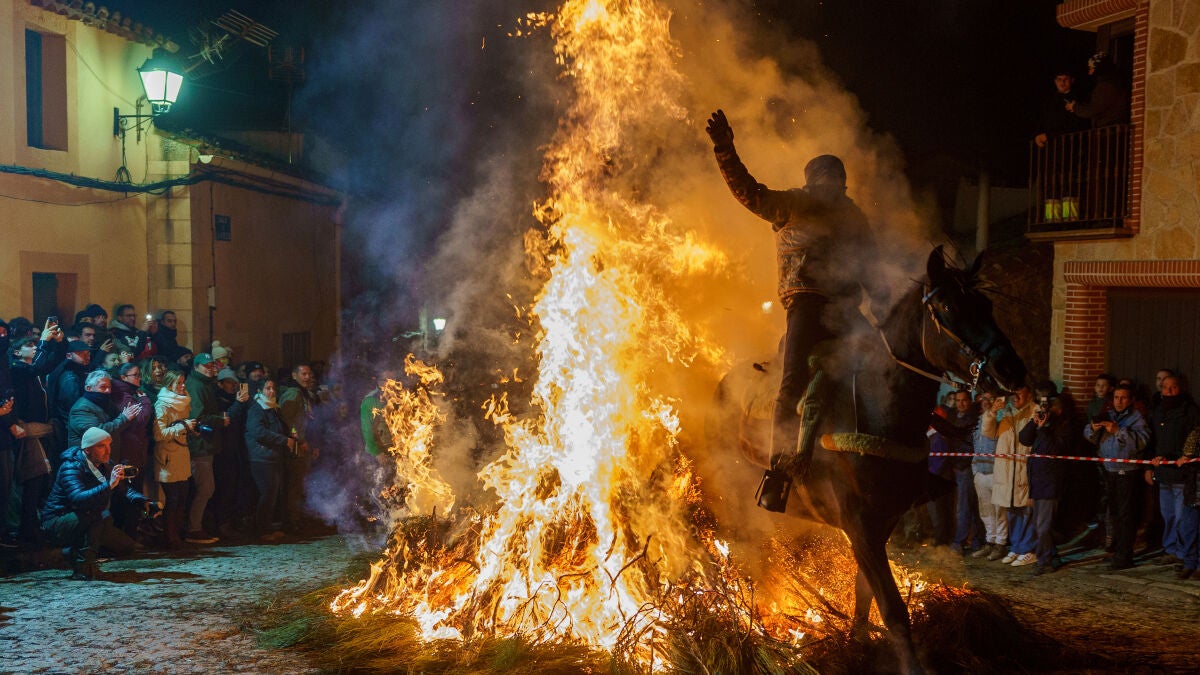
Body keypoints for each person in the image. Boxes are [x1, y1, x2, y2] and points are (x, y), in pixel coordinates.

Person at [705, 109, 877, 480]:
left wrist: (882, 300)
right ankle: (778, 469)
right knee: (793, 379)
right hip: (806, 304)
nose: (835, 184)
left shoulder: (854, 217)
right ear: (815, 181)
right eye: (829, 178)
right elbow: (750, 193)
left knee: (883, 365)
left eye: (839, 179)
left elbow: (869, 263)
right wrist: (725, 150)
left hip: (845, 310)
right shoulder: (796, 204)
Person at [40, 428, 151, 580]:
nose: (108, 451)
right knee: (96, 519)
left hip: (88, 516)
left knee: (126, 546)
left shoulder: (106, 465)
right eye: (101, 446)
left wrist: (143, 501)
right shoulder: (71, 467)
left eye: (109, 445)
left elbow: (123, 490)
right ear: (87, 449)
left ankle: (68, 553)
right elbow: (78, 498)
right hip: (58, 519)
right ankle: (83, 569)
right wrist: (108, 485)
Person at [1085, 383, 1150, 569]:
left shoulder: (1137, 418)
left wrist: (1118, 431)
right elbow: (1088, 435)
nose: (1119, 401)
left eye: (1123, 398)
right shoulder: (1109, 415)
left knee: (1125, 515)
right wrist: (1093, 429)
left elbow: (1141, 442)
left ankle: (1124, 555)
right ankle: (1117, 550)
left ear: (1130, 400)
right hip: (1109, 471)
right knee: (1113, 514)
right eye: (1116, 398)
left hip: (1127, 472)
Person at [1148, 375, 1200, 578]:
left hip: (1184, 475)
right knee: (1169, 515)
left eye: (1173, 387)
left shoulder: (1190, 412)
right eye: (1165, 387)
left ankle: (1184, 554)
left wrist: (1180, 457)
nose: (1169, 391)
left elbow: (1191, 444)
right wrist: (1151, 465)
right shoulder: (1158, 411)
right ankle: (1172, 550)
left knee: (1184, 520)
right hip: (1164, 473)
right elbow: (1154, 440)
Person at [1018, 381, 1072, 575]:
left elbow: (1055, 449)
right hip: (1038, 481)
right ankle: (1051, 555)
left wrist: (1043, 428)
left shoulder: (1064, 424)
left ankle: (1045, 561)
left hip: (1051, 482)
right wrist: (1034, 423)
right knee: (1039, 524)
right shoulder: (1041, 421)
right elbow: (1024, 439)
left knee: (1043, 525)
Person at [984, 385, 1038, 567]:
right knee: (1012, 512)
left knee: (1026, 512)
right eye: (1012, 393)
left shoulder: (1034, 411)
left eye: (1019, 393)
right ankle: (1016, 547)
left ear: (1029, 395)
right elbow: (988, 432)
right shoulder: (1005, 413)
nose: (1015, 397)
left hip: (1023, 470)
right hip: (1006, 472)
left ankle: (1028, 549)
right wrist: (992, 413)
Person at [930, 390, 984, 554]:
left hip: (965, 467)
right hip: (955, 466)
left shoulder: (973, 419)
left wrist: (960, 463)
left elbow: (969, 446)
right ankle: (976, 541)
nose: (961, 403)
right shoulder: (953, 417)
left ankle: (960, 542)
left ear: (970, 401)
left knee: (964, 506)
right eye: (958, 400)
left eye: (964, 400)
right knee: (968, 505)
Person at [246, 379, 299, 541]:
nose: (271, 391)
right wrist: (283, 440)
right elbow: (258, 431)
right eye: (267, 388)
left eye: (273, 388)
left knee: (272, 494)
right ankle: (262, 530)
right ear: (259, 391)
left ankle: (267, 527)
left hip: (273, 456)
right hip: (262, 457)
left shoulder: (273, 408)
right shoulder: (257, 409)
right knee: (267, 493)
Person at [184, 353, 227, 544]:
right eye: (206, 366)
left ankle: (196, 526)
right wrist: (220, 420)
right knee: (205, 488)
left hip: (206, 445)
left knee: (205, 488)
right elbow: (198, 417)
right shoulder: (196, 386)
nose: (210, 369)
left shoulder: (204, 384)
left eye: (212, 365)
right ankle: (194, 528)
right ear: (196, 367)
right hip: (200, 446)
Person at [110, 362, 155, 541]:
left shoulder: (127, 392)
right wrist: (146, 401)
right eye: (135, 375)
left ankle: (128, 537)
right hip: (129, 453)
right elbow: (140, 419)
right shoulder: (123, 394)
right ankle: (127, 538)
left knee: (131, 495)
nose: (139, 378)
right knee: (130, 496)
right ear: (123, 377)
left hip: (134, 450)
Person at [153, 370, 196, 549]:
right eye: (178, 383)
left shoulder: (184, 401)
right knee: (173, 499)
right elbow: (158, 434)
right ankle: (170, 539)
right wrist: (183, 426)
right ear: (169, 385)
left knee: (183, 497)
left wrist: (191, 429)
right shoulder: (162, 404)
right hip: (168, 457)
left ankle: (178, 535)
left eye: (183, 382)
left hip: (182, 453)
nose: (183, 386)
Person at [279, 363, 323, 532]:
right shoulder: (293, 393)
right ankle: (291, 521)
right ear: (294, 375)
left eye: (309, 374)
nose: (307, 377)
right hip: (296, 448)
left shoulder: (304, 393)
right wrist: (299, 439)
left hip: (305, 446)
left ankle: (298, 518)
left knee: (301, 484)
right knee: (295, 485)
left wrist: (314, 443)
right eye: (303, 374)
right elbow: (287, 421)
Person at [210, 367, 251, 538]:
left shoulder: (235, 399)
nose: (233, 386)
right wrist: (239, 404)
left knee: (235, 487)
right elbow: (228, 421)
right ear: (220, 384)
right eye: (229, 382)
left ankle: (234, 521)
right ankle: (221, 524)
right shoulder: (217, 400)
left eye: (235, 383)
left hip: (236, 449)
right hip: (223, 451)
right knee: (224, 488)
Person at [970, 392, 1008, 560]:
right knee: (986, 510)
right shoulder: (978, 421)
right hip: (980, 472)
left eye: (990, 399)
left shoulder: (1000, 419)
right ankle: (990, 541)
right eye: (984, 399)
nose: (986, 402)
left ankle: (1001, 543)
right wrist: (975, 471)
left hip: (996, 472)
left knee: (1000, 511)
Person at [44, 340, 93, 469]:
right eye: (81, 353)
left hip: (68, 426)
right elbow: (73, 406)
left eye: (88, 353)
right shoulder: (69, 377)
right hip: (69, 429)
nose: (87, 356)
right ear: (68, 355)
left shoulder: (73, 371)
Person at [66, 370, 141, 453]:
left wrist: (128, 415)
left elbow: (120, 422)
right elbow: (97, 433)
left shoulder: (104, 402)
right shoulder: (81, 408)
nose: (108, 391)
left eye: (109, 387)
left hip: (104, 454)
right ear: (89, 388)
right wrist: (124, 418)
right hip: (88, 457)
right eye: (103, 387)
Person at [360, 369, 396, 457]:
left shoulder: (399, 398)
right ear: (379, 382)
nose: (392, 384)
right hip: (377, 453)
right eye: (388, 380)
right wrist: (377, 453)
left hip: (395, 450)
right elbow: (367, 430)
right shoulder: (369, 401)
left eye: (393, 380)